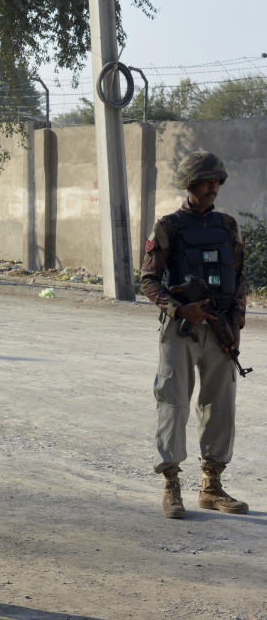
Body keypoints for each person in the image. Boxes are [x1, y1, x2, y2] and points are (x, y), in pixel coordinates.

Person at [141, 150, 248, 519]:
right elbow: (149, 281)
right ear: (190, 183)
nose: (214, 187)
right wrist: (178, 309)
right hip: (182, 329)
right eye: (207, 180)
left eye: (218, 181)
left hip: (219, 328)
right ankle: (171, 485)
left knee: (220, 405)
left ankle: (211, 486)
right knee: (172, 402)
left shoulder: (228, 226)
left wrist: (235, 325)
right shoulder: (168, 226)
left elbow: (238, 280)